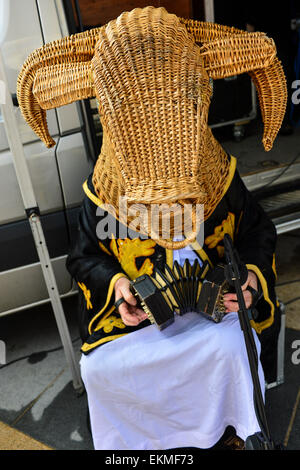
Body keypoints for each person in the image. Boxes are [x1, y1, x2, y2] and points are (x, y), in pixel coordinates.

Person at [17, 6, 287, 451]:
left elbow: (258, 231)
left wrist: (252, 281)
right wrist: (120, 286)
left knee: (228, 347)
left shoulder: (216, 174)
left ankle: (231, 429)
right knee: (102, 371)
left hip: (208, 315)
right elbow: (82, 258)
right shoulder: (105, 188)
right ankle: (144, 447)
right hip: (137, 324)